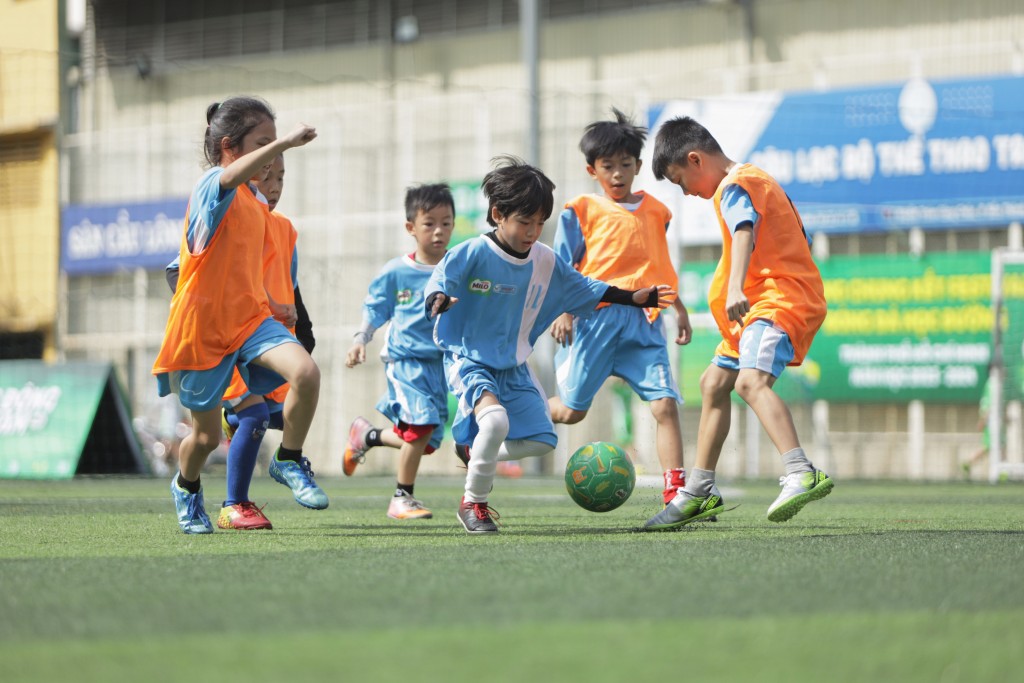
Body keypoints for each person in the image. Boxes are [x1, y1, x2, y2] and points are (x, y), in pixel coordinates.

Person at [425, 156, 675, 534]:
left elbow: (584, 287)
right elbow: (442, 278)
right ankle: (473, 503)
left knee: (543, 440)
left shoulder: (545, 260)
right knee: (494, 422)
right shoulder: (474, 252)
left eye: (540, 222)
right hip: (468, 358)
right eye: (525, 222)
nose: (533, 231)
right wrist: (438, 299)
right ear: (497, 214)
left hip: (513, 366)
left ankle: (476, 453)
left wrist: (633, 298)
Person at [641, 116, 832, 530]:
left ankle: (801, 471)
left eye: (680, 181)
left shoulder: (735, 186)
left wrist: (734, 289)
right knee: (714, 383)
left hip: (775, 302)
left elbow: (743, 228)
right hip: (756, 309)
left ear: (695, 159)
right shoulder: (755, 180)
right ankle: (700, 490)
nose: (686, 192)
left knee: (750, 383)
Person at [153, 96, 322, 534]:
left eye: (274, 144)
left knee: (305, 372)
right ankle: (187, 488)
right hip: (202, 333)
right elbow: (227, 180)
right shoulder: (212, 185)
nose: (273, 156)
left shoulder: (259, 205)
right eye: (262, 143)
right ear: (230, 147)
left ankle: (287, 459)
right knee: (205, 437)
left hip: (249, 323)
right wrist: (285, 141)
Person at [547, 108, 693, 508]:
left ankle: (677, 494)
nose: (616, 174)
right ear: (591, 169)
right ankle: (509, 415)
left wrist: (677, 307)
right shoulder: (580, 211)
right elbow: (562, 267)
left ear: (638, 165)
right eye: (607, 166)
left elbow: (657, 266)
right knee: (572, 412)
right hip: (592, 321)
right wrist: (562, 311)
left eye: (624, 165)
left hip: (644, 323)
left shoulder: (657, 212)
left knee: (664, 405)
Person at [342, 183, 456, 520]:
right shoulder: (397, 271)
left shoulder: (456, 269)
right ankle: (401, 498)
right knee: (419, 429)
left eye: (446, 223)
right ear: (411, 228)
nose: (439, 231)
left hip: (439, 365)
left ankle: (367, 435)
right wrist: (361, 338)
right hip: (404, 361)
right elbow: (375, 307)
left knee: (427, 441)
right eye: (429, 223)